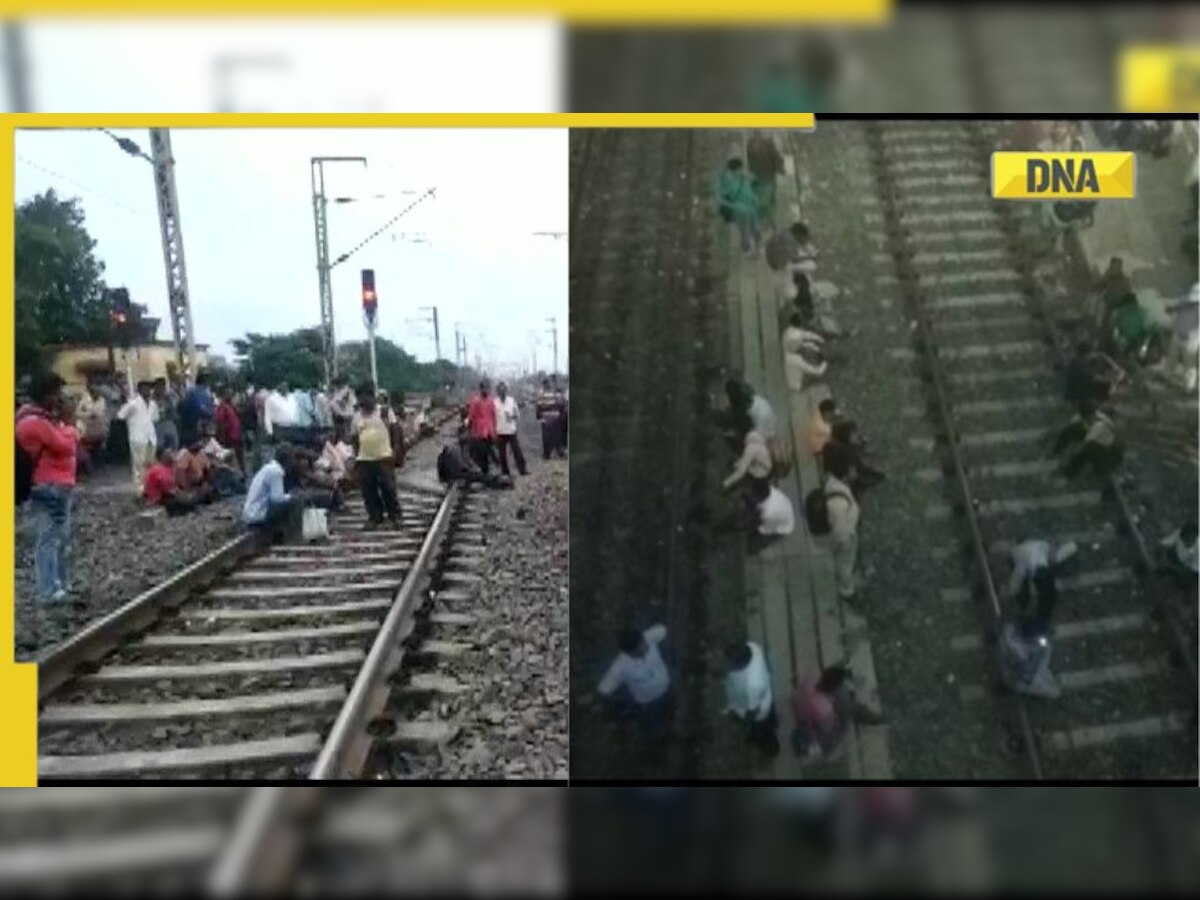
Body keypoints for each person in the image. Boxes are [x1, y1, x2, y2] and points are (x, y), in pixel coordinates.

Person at [16, 373, 79, 603]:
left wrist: (63, 427)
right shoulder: (33, 422)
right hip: (48, 485)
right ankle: (48, 590)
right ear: (46, 394)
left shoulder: (41, 419)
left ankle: (59, 585)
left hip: (57, 485)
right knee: (49, 538)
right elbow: (65, 446)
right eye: (56, 393)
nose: (59, 398)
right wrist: (70, 427)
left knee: (59, 538)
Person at [597, 624, 673, 757]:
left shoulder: (650, 637)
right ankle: (654, 754)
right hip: (647, 704)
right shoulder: (620, 667)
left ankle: (667, 735)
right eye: (638, 649)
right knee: (652, 732)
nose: (644, 647)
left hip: (667, 691)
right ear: (629, 652)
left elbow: (665, 630)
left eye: (642, 643)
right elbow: (604, 689)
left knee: (670, 717)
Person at [791, 663, 885, 761]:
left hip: (801, 709)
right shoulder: (825, 709)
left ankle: (848, 680)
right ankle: (875, 719)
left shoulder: (810, 679)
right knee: (851, 707)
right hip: (817, 732)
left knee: (845, 700)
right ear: (833, 689)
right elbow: (828, 728)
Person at [351, 386, 401, 530]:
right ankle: (375, 517)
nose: (362, 401)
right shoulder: (357, 417)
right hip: (364, 459)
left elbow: (395, 431)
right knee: (368, 490)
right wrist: (356, 456)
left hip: (384, 456)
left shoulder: (385, 412)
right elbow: (354, 438)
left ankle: (395, 516)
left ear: (372, 397)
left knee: (389, 488)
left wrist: (395, 450)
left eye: (364, 397)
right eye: (359, 398)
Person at [723, 640, 779, 757]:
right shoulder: (753, 647)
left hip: (758, 712)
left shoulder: (752, 685)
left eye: (730, 663)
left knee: (761, 730)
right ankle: (768, 736)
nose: (727, 665)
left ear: (740, 664)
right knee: (767, 725)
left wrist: (746, 724)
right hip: (763, 698)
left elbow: (752, 712)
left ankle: (767, 746)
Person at [1050, 401, 1121, 480]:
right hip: (1094, 437)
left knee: (1084, 452)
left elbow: (1086, 443)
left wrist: (1075, 453)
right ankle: (1057, 451)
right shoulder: (1091, 416)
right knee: (1071, 431)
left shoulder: (1100, 425)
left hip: (1104, 449)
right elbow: (1077, 421)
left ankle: (1069, 473)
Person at [824, 452, 861, 602]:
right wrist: (847, 541)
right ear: (845, 474)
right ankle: (846, 590)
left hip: (845, 532)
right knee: (844, 565)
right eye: (853, 470)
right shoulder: (838, 503)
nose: (856, 473)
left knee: (844, 563)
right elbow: (840, 531)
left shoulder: (836, 485)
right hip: (845, 538)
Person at [242, 445, 303, 534]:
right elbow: (277, 498)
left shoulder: (269, 468)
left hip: (252, 513)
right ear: (286, 460)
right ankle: (293, 534)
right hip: (257, 515)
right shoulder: (276, 471)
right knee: (297, 501)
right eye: (292, 459)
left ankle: (279, 531)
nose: (294, 462)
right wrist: (292, 496)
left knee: (291, 500)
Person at [117, 380, 160, 492]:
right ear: (140, 390)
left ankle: (150, 488)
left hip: (150, 437)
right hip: (137, 437)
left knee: (150, 464)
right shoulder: (133, 403)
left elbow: (155, 419)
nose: (148, 391)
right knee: (138, 466)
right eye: (145, 388)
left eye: (149, 388)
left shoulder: (153, 404)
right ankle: (139, 490)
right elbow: (121, 415)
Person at [717, 157, 761, 254]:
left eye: (742, 169)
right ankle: (746, 247)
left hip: (750, 209)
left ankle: (756, 249)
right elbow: (721, 199)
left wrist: (754, 198)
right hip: (739, 211)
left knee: (756, 229)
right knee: (745, 230)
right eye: (740, 169)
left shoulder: (743, 178)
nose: (742, 171)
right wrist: (734, 206)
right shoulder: (727, 182)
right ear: (733, 170)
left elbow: (755, 184)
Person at [765, 222, 818, 300]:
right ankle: (797, 290)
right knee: (811, 265)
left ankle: (804, 285)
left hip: (776, 260)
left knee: (803, 255)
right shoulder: (789, 240)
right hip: (781, 265)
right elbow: (794, 258)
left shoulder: (786, 233)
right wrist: (809, 257)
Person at [143, 446, 198, 516]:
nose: (172, 455)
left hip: (167, 496)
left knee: (193, 498)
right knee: (190, 502)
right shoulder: (157, 470)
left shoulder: (168, 468)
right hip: (158, 500)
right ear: (162, 456)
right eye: (169, 453)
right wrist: (184, 495)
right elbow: (168, 490)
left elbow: (174, 486)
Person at [783, 313, 828, 393]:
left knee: (811, 346)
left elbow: (805, 335)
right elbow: (817, 372)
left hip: (792, 363)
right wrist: (825, 362)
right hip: (797, 388)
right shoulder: (797, 360)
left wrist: (819, 340)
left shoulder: (789, 332)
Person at [747, 131, 785, 224]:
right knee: (759, 198)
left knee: (768, 199)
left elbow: (776, 158)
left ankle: (769, 220)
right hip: (757, 177)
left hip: (768, 176)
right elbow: (749, 159)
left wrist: (780, 171)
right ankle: (762, 218)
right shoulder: (750, 144)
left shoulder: (768, 143)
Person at [75, 378, 109, 473]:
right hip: (87, 428)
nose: (96, 392)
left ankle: (101, 468)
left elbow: (102, 413)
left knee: (99, 449)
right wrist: (89, 414)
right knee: (87, 448)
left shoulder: (102, 400)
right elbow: (77, 413)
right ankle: (90, 469)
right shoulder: (84, 399)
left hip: (100, 428)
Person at [494, 381, 528, 477]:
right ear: (497, 392)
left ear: (506, 391)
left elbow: (517, 415)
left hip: (511, 430)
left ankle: (522, 469)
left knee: (517, 451)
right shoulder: (494, 403)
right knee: (502, 454)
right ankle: (505, 471)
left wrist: (512, 416)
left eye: (504, 390)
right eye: (500, 390)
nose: (502, 392)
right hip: (500, 431)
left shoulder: (511, 401)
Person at [467, 380, 499, 475]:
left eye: (487, 388)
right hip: (479, 431)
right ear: (480, 389)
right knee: (482, 451)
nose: (486, 390)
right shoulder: (476, 401)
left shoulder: (490, 401)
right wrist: (469, 427)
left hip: (489, 430)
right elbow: (471, 415)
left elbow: (494, 415)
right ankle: (485, 470)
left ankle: (491, 467)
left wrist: (495, 429)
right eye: (484, 388)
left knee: (489, 450)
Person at [214, 386, 245, 474]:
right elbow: (219, 421)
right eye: (228, 394)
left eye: (231, 394)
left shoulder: (232, 406)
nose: (230, 396)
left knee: (239, 455)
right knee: (229, 455)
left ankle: (242, 472)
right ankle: (230, 473)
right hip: (229, 435)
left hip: (236, 434)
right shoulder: (223, 407)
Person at [535, 377, 567, 459]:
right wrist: (539, 415)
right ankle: (547, 453)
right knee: (547, 437)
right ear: (545, 384)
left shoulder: (554, 393)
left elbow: (561, 403)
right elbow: (538, 406)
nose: (549, 385)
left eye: (549, 383)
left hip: (554, 418)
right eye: (547, 383)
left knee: (557, 436)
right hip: (546, 418)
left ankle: (559, 452)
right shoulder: (541, 394)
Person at [152, 377, 180, 453]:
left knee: (174, 441)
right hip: (157, 424)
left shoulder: (168, 398)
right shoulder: (152, 399)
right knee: (159, 446)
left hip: (168, 422)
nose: (161, 389)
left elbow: (174, 411)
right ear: (155, 387)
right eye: (159, 386)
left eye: (163, 387)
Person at [330, 378, 355, 443]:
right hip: (340, 417)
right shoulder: (338, 392)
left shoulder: (346, 392)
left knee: (346, 436)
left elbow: (342, 402)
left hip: (345, 416)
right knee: (340, 436)